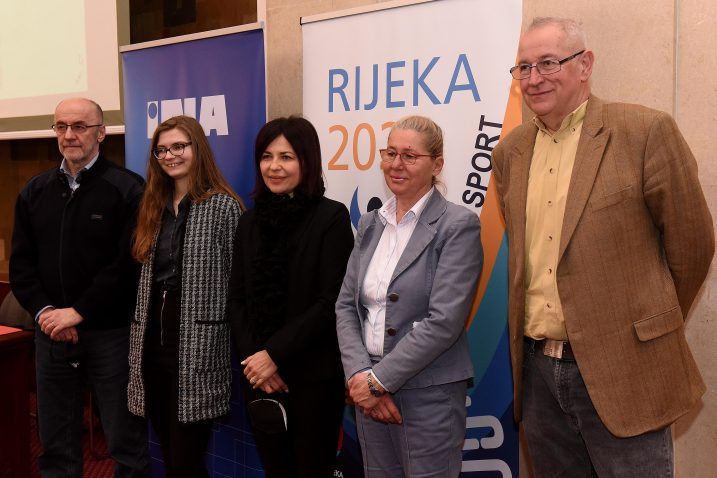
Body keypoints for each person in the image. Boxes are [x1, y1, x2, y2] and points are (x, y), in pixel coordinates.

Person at [491, 17, 715, 477]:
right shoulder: (509, 153)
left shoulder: (644, 131)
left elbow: (693, 245)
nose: (535, 79)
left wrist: (645, 324)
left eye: (549, 63)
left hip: (626, 371)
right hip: (538, 378)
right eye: (524, 67)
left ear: (585, 65)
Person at [10, 97, 151, 477]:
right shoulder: (34, 191)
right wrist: (47, 314)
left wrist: (79, 311)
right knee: (55, 443)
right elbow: (21, 267)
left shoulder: (128, 190)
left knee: (125, 442)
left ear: (101, 133)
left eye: (80, 126)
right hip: (51, 332)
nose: (69, 135)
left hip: (112, 334)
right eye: (61, 127)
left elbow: (127, 266)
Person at [336, 115, 483, 477]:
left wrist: (377, 382)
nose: (396, 165)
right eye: (390, 153)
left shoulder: (457, 225)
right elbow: (346, 306)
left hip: (428, 395)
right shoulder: (371, 223)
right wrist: (359, 375)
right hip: (368, 392)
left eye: (410, 156)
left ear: (437, 165)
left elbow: (444, 322)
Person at [228, 116, 354, 477]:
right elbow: (236, 299)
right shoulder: (249, 222)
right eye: (267, 157)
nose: (274, 166)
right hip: (259, 378)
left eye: (287, 156)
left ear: (307, 161)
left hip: (312, 377)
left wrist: (274, 355)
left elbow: (331, 301)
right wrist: (257, 361)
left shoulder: (330, 217)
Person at [126, 115, 243, 477]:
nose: (170, 155)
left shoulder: (223, 206)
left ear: (197, 148)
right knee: (170, 456)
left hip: (198, 350)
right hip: (152, 349)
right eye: (162, 150)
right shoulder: (152, 205)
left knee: (188, 461)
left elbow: (239, 284)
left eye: (179, 146)